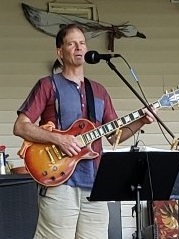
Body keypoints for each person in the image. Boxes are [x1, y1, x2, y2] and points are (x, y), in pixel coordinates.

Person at [13, 24, 156, 239]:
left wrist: (141, 121)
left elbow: (115, 135)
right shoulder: (47, 85)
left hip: (95, 185)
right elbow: (21, 126)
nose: (79, 48)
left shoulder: (99, 91)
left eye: (82, 43)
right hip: (59, 182)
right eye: (72, 43)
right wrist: (58, 140)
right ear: (60, 52)